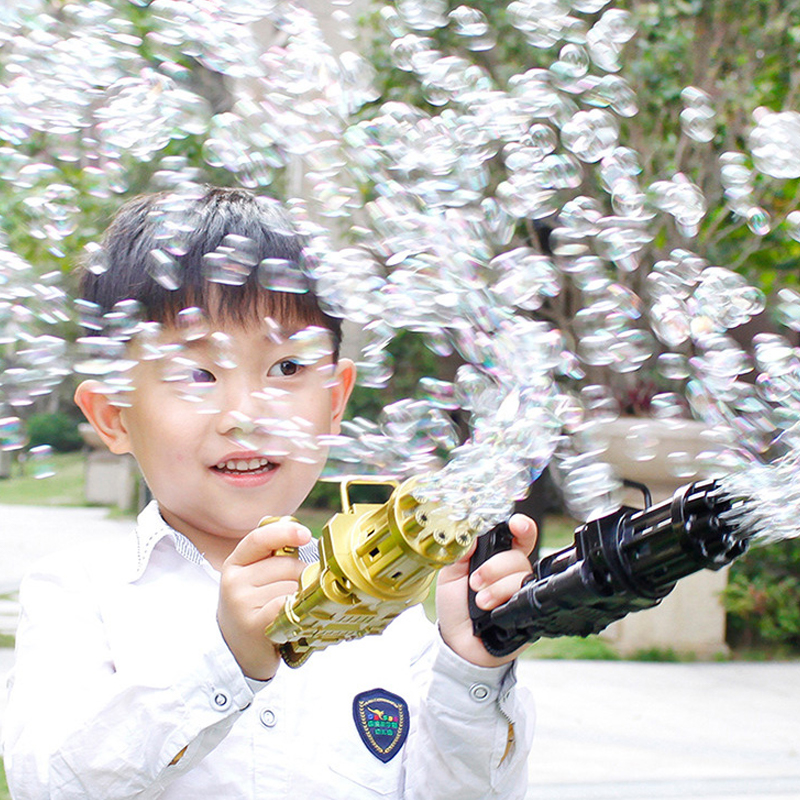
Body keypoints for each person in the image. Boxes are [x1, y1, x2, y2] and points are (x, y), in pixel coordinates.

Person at [2, 187, 537, 799]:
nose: (245, 414)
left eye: (286, 369)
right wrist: (224, 660)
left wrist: (469, 668)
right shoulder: (78, 595)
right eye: (196, 373)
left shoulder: (387, 614)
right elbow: (49, 783)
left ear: (335, 400)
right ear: (113, 417)